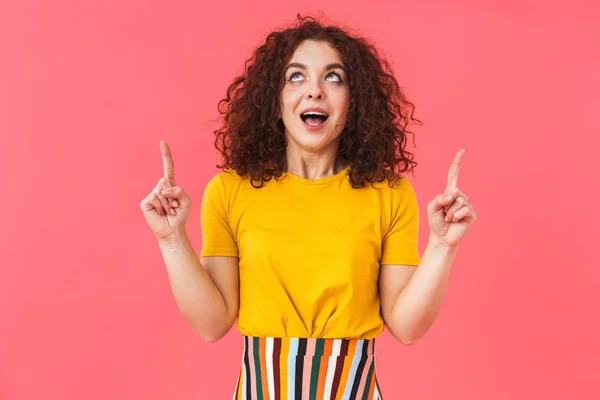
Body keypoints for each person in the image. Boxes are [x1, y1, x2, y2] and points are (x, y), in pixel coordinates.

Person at [140, 14, 476, 400]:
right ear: (275, 99)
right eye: (296, 76)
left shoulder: (390, 193)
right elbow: (211, 324)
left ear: (355, 102)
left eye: (334, 78)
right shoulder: (230, 191)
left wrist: (442, 246)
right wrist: (171, 239)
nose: (314, 91)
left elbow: (407, 327)